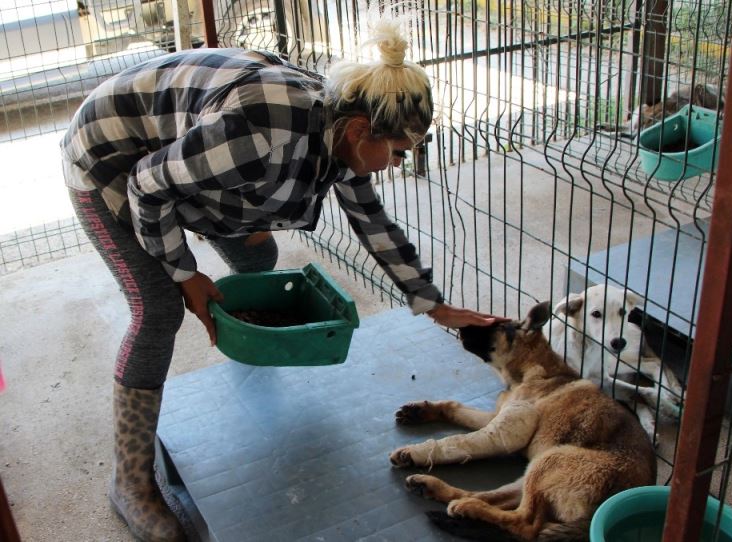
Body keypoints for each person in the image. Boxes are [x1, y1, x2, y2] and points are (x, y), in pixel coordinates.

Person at [60, 18, 503, 542]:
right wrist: (184, 272)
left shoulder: (340, 125)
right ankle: (130, 483)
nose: (396, 164)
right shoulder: (258, 136)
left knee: (258, 252)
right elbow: (146, 187)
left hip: (175, 150)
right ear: (360, 130)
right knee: (158, 310)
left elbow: (371, 219)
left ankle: (244, 350)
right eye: (400, 151)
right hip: (110, 159)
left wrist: (430, 301)